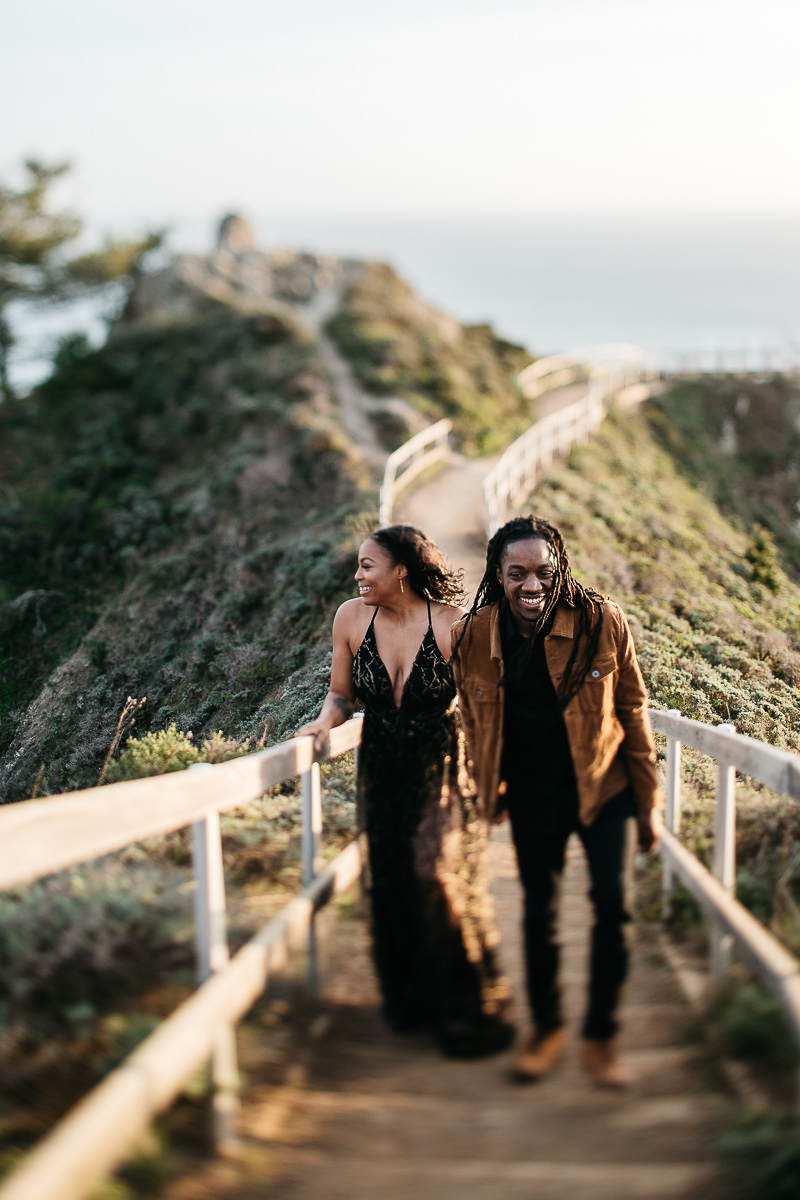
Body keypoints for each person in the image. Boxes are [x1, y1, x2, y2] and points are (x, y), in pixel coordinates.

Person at [450, 515, 661, 1088]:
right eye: (517, 573)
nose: (532, 584)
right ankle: (546, 1030)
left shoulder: (600, 620)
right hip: (531, 793)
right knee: (538, 911)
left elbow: (632, 707)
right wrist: (487, 784)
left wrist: (647, 802)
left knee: (612, 906)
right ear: (498, 575)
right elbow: (471, 719)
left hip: (604, 785)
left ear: (560, 569)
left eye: (543, 571)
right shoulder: (473, 636)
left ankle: (601, 1037)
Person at [299, 524, 514, 1057]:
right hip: (382, 765)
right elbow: (341, 695)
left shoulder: (453, 624)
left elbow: (487, 708)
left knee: (432, 870)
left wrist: (497, 776)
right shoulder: (351, 618)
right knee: (393, 880)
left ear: (401, 571)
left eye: (367, 566)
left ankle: (466, 1004)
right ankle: (417, 998)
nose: (357, 575)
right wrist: (322, 723)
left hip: (439, 763)